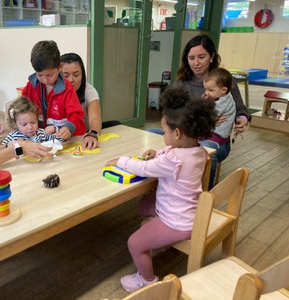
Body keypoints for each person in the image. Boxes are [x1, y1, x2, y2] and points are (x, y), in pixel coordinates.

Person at [106, 87, 217, 293]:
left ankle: (147, 281)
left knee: (135, 243)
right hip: (188, 212)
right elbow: (175, 155)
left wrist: (121, 160)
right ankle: (158, 238)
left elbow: (144, 169)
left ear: (177, 133)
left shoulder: (173, 160)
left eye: (164, 131)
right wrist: (158, 152)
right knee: (145, 204)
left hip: (176, 221)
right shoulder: (199, 150)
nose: (164, 134)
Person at [147, 34, 250, 189]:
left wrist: (242, 118)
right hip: (183, 136)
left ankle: (202, 198)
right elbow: (170, 113)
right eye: (191, 58)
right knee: (150, 133)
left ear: (212, 56)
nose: (196, 63)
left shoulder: (224, 80)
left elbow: (240, 108)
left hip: (214, 140)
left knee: (206, 151)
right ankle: (159, 186)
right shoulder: (181, 83)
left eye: (201, 57)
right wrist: (204, 120)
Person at [21, 40, 86, 142]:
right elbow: (22, 105)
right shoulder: (32, 86)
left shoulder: (66, 88)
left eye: (49, 75)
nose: (45, 80)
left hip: (67, 139)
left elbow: (76, 114)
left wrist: (68, 127)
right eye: (40, 75)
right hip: (43, 139)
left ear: (60, 67)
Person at [60, 52, 121, 150]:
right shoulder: (52, 91)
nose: (71, 80)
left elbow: (94, 118)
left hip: (81, 137)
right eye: (65, 75)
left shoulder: (89, 91)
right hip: (61, 139)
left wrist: (92, 134)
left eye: (76, 75)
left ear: (82, 75)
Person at [202, 68, 236, 189]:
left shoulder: (223, 102)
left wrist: (203, 104)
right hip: (210, 134)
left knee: (206, 151)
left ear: (223, 90)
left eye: (210, 90)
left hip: (217, 139)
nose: (207, 92)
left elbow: (206, 115)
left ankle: (208, 188)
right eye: (206, 89)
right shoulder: (220, 97)